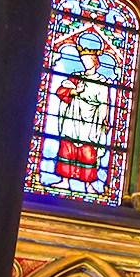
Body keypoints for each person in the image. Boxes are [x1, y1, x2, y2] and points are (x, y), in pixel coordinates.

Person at [49, 39, 111, 190]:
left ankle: (88, 185)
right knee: (67, 148)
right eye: (83, 60)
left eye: (87, 60)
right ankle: (65, 181)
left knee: (88, 152)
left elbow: (105, 102)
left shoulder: (101, 82)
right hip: (72, 119)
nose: (84, 63)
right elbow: (60, 91)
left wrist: (104, 119)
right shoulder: (75, 77)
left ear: (95, 62)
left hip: (90, 123)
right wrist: (75, 91)